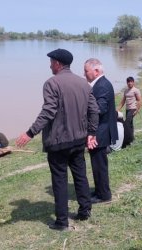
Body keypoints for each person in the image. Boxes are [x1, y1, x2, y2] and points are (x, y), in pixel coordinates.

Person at [16, 48, 99, 231]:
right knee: (80, 176)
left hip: (58, 142)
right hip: (78, 140)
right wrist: (91, 132)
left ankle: (62, 221)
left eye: (51, 61)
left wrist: (30, 133)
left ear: (58, 64)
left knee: (60, 180)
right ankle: (85, 211)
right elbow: (94, 110)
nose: (49, 65)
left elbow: (49, 111)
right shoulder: (84, 83)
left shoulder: (51, 83)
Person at [84, 58, 118, 204]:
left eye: (86, 71)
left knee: (99, 165)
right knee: (97, 164)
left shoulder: (102, 85)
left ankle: (104, 195)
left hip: (100, 132)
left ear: (96, 71)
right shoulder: (100, 84)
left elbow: (100, 108)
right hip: (100, 131)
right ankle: (99, 190)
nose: (84, 74)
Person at [117, 76, 142, 145]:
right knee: (130, 124)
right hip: (127, 109)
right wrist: (117, 110)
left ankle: (126, 140)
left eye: (131, 82)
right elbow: (123, 101)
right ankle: (131, 139)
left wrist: (137, 110)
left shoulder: (136, 90)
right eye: (128, 82)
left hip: (133, 109)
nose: (129, 83)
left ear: (133, 82)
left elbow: (140, 101)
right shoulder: (126, 91)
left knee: (126, 123)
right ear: (127, 83)